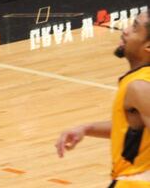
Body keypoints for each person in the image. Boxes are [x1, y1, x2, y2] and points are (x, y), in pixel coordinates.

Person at [56, 11, 150, 186]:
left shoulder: (140, 86)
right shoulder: (140, 81)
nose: (126, 30)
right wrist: (87, 128)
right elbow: (130, 129)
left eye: (135, 28)